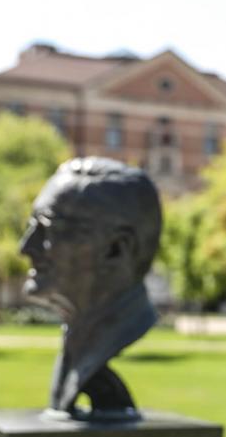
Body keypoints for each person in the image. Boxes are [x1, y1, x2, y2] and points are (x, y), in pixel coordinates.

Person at [19, 157, 162, 420]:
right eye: (31, 226)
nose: (27, 247)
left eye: (50, 230)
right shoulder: (77, 342)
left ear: (116, 249)